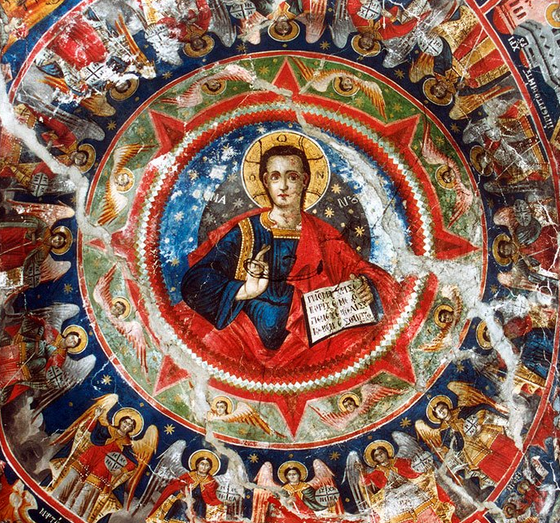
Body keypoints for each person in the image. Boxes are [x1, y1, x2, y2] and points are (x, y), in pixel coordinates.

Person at [180, 137, 401, 369]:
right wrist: (244, 290)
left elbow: (365, 273)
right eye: (275, 177)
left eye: (292, 177)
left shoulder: (323, 235)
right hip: (245, 342)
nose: (283, 186)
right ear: (265, 181)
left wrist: (367, 288)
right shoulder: (247, 232)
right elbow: (195, 282)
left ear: (305, 181)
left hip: (312, 345)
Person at [361, 442, 455, 523]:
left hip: (408, 488)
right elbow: (368, 482)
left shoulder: (399, 461)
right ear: (375, 459)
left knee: (422, 504)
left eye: (381, 452)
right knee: (394, 510)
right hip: (392, 494)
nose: (380, 456)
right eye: (377, 455)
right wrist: (362, 472)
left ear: (386, 452)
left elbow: (413, 471)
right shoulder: (376, 472)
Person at [148, 452, 226, 522]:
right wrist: (183, 497)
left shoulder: (211, 482)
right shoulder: (188, 476)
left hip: (199, 505)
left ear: (210, 467)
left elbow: (213, 498)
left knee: (198, 509)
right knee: (179, 504)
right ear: (197, 465)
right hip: (184, 500)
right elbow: (175, 487)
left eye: (207, 465)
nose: (204, 467)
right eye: (202, 464)